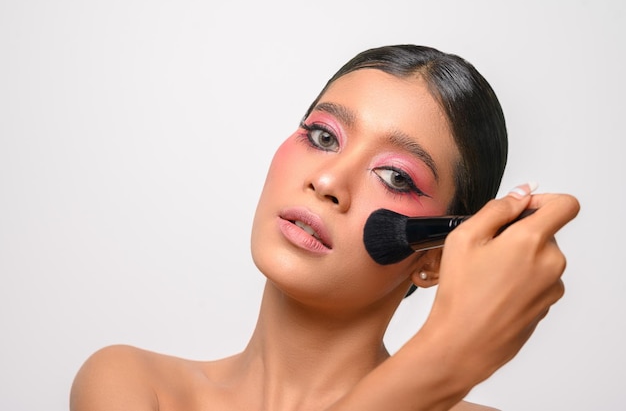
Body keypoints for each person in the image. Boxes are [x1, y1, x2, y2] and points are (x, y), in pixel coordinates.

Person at [70, 45, 579, 411]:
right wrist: (446, 358)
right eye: (323, 136)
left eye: (396, 175)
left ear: (436, 255)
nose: (329, 180)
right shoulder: (133, 386)